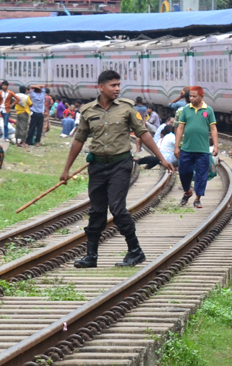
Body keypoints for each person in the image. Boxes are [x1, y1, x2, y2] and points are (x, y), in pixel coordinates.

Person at [60, 70, 173, 269]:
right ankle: (91, 256)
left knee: (118, 208)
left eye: (118, 85)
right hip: (97, 166)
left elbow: (143, 133)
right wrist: (66, 169)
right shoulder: (88, 111)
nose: (117, 89)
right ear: (101, 87)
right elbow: (79, 140)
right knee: (96, 211)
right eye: (113, 85)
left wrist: (161, 159)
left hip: (120, 164)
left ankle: (135, 251)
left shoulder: (127, 108)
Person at [174, 86, 219, 209]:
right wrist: (176, 146)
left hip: (202, 149)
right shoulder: (186, 110)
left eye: (194, 96)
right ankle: (187, 191)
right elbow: (180, 128)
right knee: (184, 172)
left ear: (201, 96)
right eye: (190, 96)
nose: (192, 99)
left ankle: (198, 198)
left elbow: (213, 128)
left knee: (201, 174)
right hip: (186, 148)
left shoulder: (208, 110)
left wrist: (215, 146)